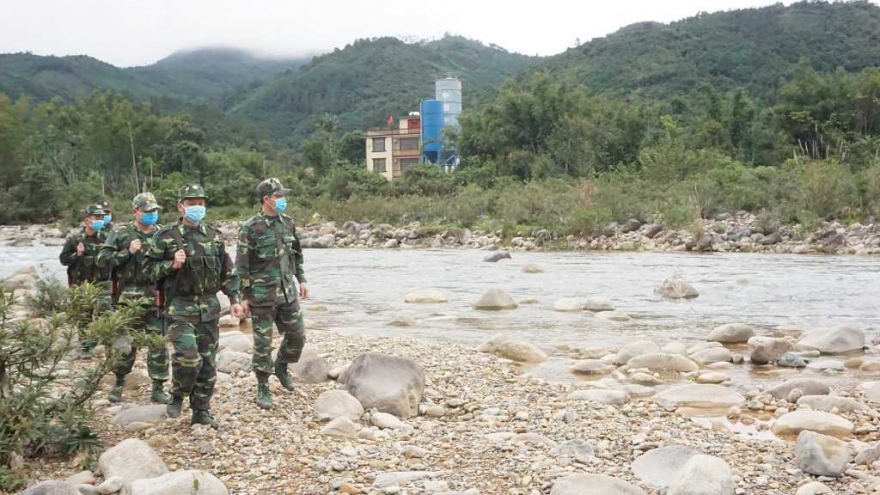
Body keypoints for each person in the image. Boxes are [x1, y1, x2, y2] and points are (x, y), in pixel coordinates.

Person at [144, 183, 242, 427]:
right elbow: (148, 270)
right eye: (191, 203)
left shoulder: (214, 236)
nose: (197, 207)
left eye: (200, 203)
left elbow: (227, 272)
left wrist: (235, 299)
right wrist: (171, 265)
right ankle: (177, 393)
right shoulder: (166, 237)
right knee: (188, 357)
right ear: (181, 206)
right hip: (180, 308)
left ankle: (201, 410)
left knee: (208, 363)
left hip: (209, 309)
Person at [235, 178, 308, 410]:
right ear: (266, 199)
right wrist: (244, 296)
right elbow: (242, 265)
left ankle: (282, 365)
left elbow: (296, 255)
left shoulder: (288, 223)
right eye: (278, 196)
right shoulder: (250, 228)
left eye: (283, 196)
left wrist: (302, 279)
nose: (283, 200)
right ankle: (263, 385)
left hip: (287, 292)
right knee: (262, 343)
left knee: (298, 335)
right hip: (262, 295)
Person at [97, 192, 170, 404]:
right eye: (147, 211)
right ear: (135, 212)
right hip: (127, 300)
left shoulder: (162, 234)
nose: (152, 214)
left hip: (155, 299)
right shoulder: (121, 233)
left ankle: (158, 387)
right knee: (124, 345)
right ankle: (119, 383)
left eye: (154, 211)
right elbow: (103, 260)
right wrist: (127, 252)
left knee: (158, 345)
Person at [59, 204, 112, 359]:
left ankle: (107, 345)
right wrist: (77, 254)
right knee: (84, 316)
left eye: (102, 217)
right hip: (82, 284)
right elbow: (63, 260)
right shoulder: (75, 240)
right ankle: (86, 347)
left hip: (102, 283)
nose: (100, 220)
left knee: (106, 313)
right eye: (97, 217)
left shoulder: (107, 238)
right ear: (87, 220)